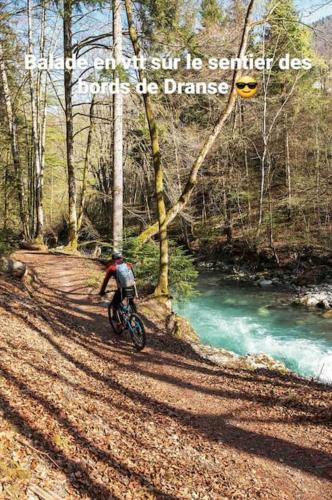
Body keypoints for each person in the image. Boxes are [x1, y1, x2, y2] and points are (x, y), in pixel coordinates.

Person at [99, 251, 136, 317]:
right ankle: (135, 317)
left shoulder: (112, 268)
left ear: (113, 259)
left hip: (122, 289)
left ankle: (117, 320)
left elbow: (105, 281)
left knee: (115, 303)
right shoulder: (128, 265)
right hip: (132, 287)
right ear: (122, 258)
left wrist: (102, 292)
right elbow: (134, 276)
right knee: (131, 301)